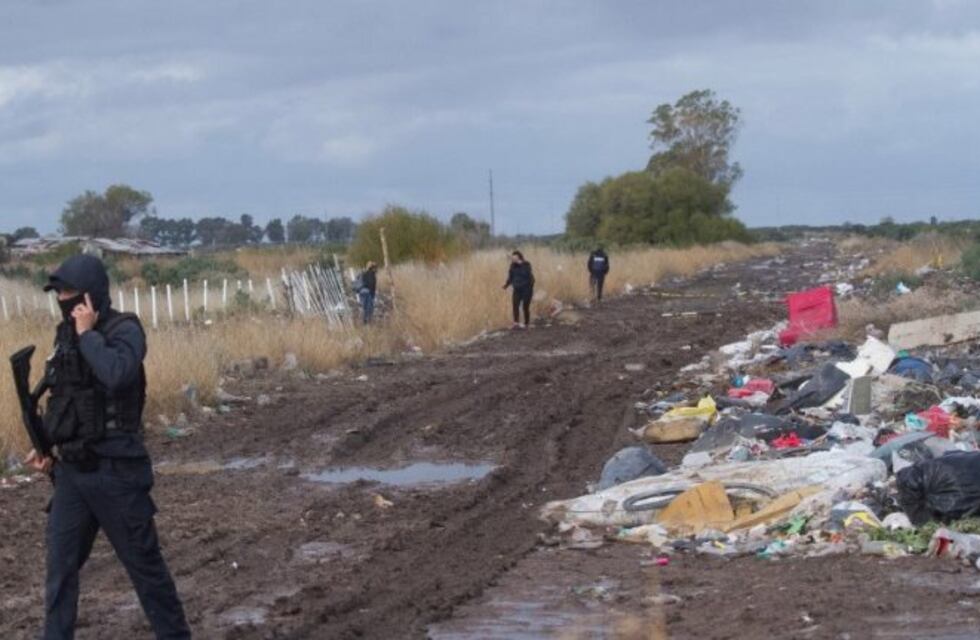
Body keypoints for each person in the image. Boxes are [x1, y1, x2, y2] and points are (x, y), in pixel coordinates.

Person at [24, 254, 191, 640]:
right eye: (59, 293)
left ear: (91, 294)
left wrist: (87, 335)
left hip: (118, 474)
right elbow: (64, 401)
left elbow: (116, 374)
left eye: (69, 292)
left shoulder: (124, 330)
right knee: (60, 573)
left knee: (147, 573)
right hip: (73, 478)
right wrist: (46, 447)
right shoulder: (64, 336)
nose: (63, 300)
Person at [502, 250, 534, 329]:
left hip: (527, 289)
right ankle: (516, 323)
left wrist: (519, 263)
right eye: (513, 257)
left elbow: (527, 273)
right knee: (515, 305)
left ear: (519, 257)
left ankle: (526, 324)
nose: (513, 259)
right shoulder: (512, 266)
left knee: (525, 307)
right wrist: (506, 285)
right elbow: (510, 277)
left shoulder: (526, 264)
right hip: (517, 289)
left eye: (515, 257)